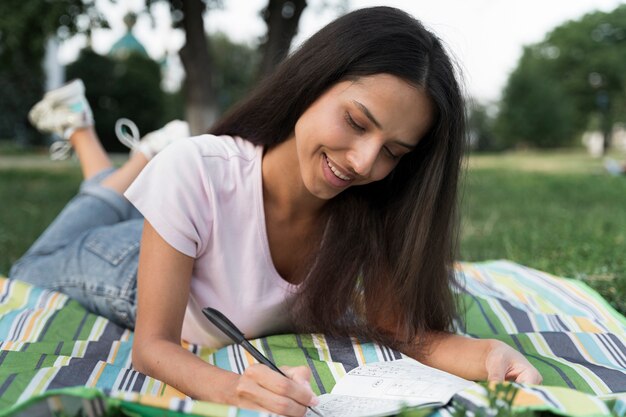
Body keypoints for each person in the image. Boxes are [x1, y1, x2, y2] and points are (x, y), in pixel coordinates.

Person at [10, 6, 542, 417]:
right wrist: (232, 387)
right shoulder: (199, 169)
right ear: (313, 81)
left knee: (127, 201)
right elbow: (152, 348)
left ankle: (133, 159)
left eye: (393, 152)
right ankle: (103, 140)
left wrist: (489, 356)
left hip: (185, 224)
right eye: (357, 122)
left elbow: (406, 334)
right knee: (36, 263)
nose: (363, 162)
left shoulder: (373, 209)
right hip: (127, 268)